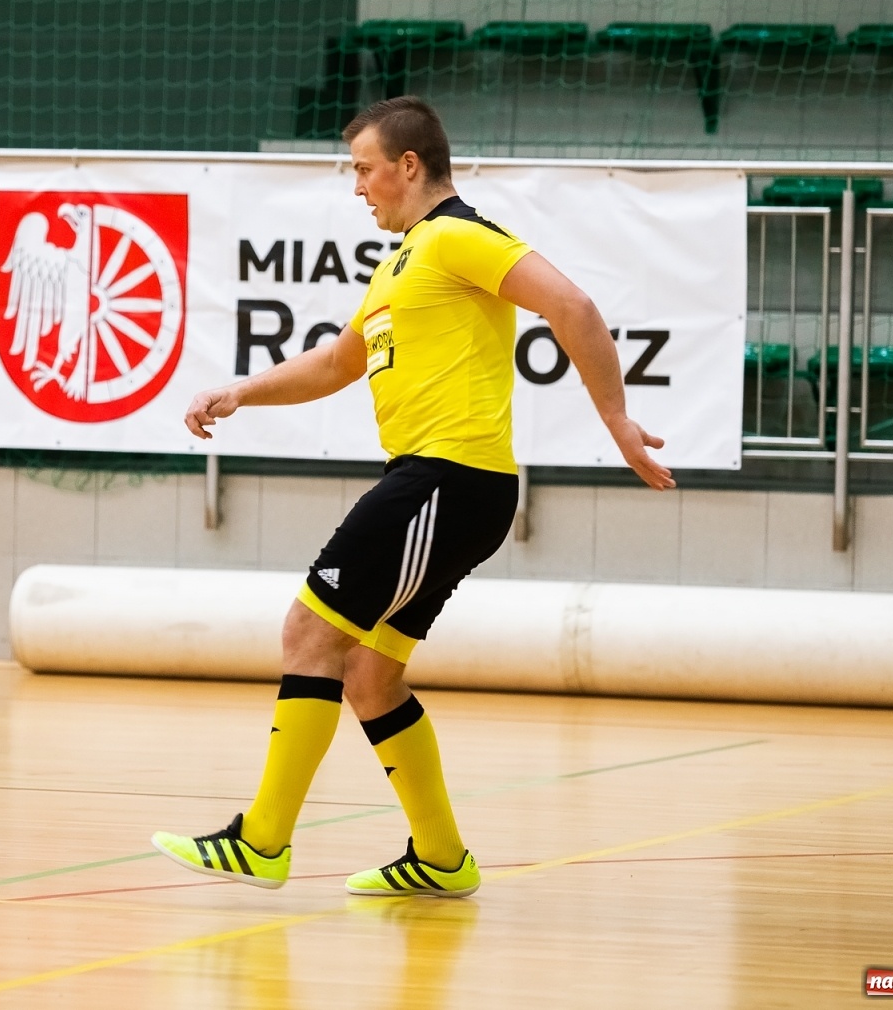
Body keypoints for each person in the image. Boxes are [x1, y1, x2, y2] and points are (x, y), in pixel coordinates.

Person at [152, 97, 674, 897]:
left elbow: (571, 305)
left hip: (446, 479)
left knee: (307, 632)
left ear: (408, 165)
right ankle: (440, 859)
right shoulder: (402, 262)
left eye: (364, 169)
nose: (357, 187)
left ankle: (262, 841)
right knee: (369, 676)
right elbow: (338, 364)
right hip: (445, 485)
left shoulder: (459, 236)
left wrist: (617, 421)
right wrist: (241, 392)